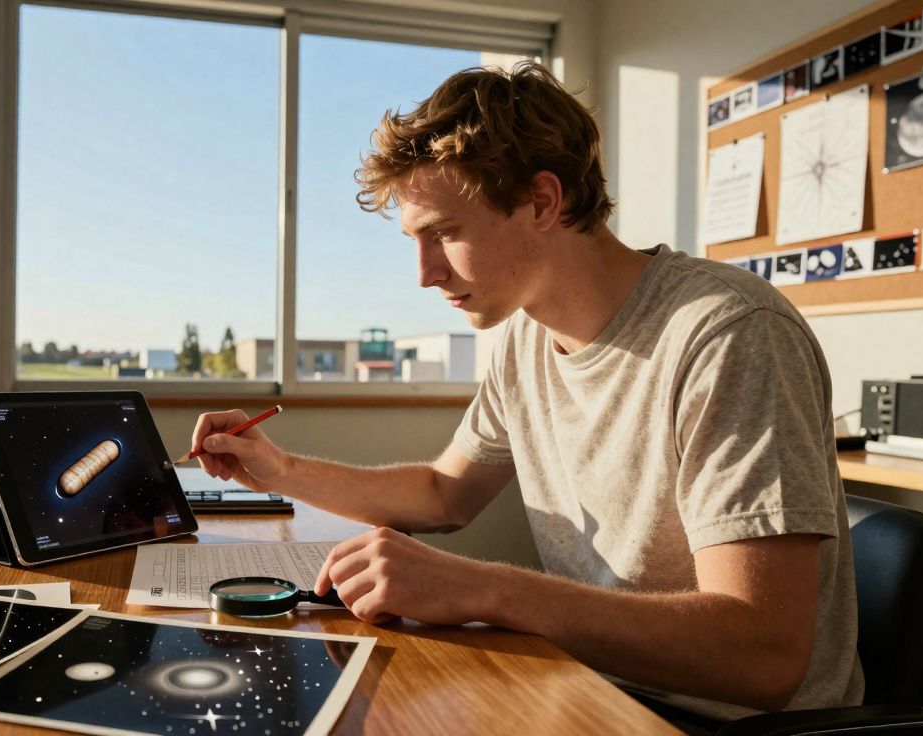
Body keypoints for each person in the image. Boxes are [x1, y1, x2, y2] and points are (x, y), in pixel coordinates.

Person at [187, 61, 862, 723]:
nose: (424, 274)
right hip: (590, 685)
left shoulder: (729, 333)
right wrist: (278, 469)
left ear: (542, 201)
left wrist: (483, 588)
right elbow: (444, 495)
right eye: (415, 241)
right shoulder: (525, 339)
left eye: (444, 234)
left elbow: (764, 658)